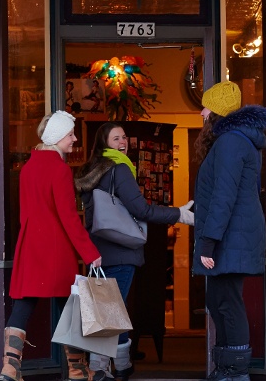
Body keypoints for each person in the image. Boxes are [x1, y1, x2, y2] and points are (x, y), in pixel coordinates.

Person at [74, 122, 194, 381]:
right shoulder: (120, 169)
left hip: (97, 251)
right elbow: (142, 211)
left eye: (124, 137)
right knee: (111, 311)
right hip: (121, 250)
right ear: (105, 143)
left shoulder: (93, 170)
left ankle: (113, 366)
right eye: (116, 138)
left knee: (107, 308)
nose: (123, 141)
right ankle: (106, 368)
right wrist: (179, 214)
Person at [0, 110, 106, 381]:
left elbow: (26, 213)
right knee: (69, 307)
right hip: (56, 248)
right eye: (70, 134)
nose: (74, 140)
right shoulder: (59, 169)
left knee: (23, 305)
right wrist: (90, 253)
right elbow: (69, 217)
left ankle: (10, 368)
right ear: (58, 136)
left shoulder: (28, 168)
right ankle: (78, 370)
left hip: (30, 246)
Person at [192, 81, 266, 381]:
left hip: (229, 237)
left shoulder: (230, 142)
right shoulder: (237, 141)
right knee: (220, 301)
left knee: (227, 301)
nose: (201, 112)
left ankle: (235, 371)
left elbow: (223, 196)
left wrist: (209, 242)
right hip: (234, 235)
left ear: (218, 111)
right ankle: (227, 368)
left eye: (206, 106)